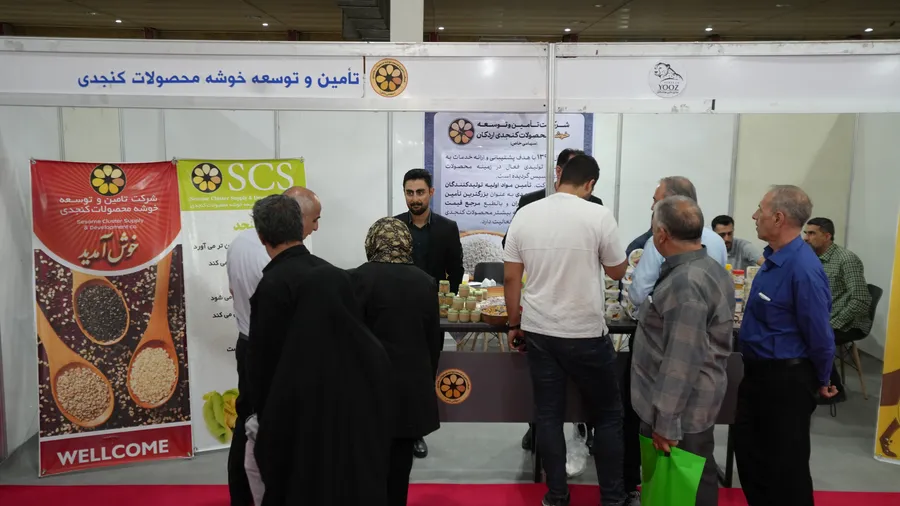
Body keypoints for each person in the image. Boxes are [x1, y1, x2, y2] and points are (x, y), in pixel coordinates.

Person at [504, 154, 628, 506]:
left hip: (539, 330)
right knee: (607, 416)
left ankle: (556, 495)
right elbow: (617, 271)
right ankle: (612, 498)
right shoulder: (598, 215)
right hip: (586, 332)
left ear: (559, 177)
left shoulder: (525, 214)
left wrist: (513, 323)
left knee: (548, 416)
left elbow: (511, 277)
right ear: (590, 184)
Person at [254, 265, 392, 506]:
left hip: (306, 482)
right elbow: (384, 416)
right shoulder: (373, 352)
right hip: (360, 479)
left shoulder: (294, 356)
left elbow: (273, 431)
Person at [735, 185, 838, 506]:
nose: (754, 216)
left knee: (785, 469)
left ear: (778, 218)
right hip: (756, 376)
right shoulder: (773, 260)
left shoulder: (803, 269)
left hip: (785, 382)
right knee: (752, 459)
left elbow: (819, 334)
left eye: (760, 210)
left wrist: (823, 378)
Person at [631, 196, 735, 506]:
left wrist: (666, 422)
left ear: (661, 234)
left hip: (681, 412)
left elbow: (681, 359)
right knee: (685, 483)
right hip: (690, 404)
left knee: (684, 487)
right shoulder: (707, 268)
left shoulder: (686, 283)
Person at [226, 186, 321, 506]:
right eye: (313, 219)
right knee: (269, 428)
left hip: (246, 343)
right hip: (273, 350)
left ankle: (242, 495)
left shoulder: (239, 242)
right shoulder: (274, 261)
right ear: (294, 216)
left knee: (246, 422)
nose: (315, 228)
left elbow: (232, 290)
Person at [512, 148, 603, 454]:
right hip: (543, 306)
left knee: (577, 392)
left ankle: (585, 428)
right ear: (559, 171)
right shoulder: (530, 202)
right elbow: (511, 250)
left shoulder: (595, 205)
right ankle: (534, 429)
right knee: (546, 398)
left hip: (580, 311)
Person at [350, 217, 441, 506]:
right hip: (409, 388)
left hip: (366, 387)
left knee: (367, 462)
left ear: (372, 241)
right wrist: (426, 377)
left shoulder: (356, 279)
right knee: (400, 463)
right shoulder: (425, 282)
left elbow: (348, 337)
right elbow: (433, 340)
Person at [394, 168, 463, 458]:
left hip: (432, 314)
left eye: (420, 192)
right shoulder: (393, 226)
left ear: (431, 193)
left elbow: (456, 271)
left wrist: (449, 305)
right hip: (396, 313)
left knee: (426, 373)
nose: (415, 198)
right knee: (399, 374)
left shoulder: (447, 228)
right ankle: (400, 430)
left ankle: (417, 431)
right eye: (409, 192)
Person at [629, 177, 728, 309]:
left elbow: (639, 295)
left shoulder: (659, 241)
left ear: (673, 203)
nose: (652, 207)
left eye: (656, 201)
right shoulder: (717, 241)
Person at [804, 216, 872, 400]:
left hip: (849, 322)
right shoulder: (812, 257)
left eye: (812, 233)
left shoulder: (846, 259)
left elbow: (861, 300)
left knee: (811, 339)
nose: (806, 238)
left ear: (827, 236)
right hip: (823, 317)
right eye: (806, 233)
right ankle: (808, 386)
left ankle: (834, 391)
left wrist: (832, 324)